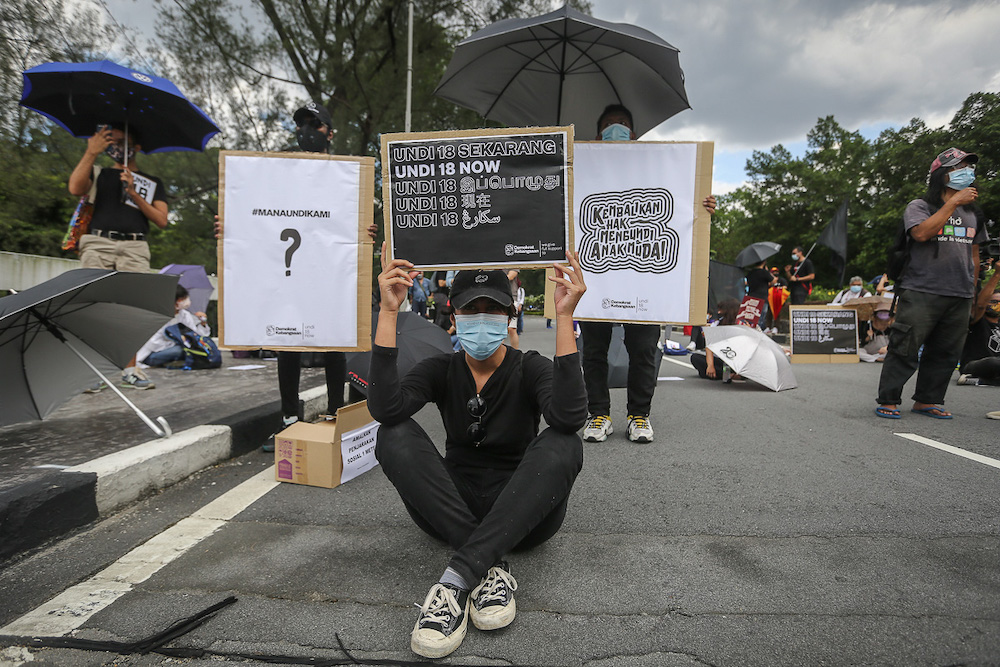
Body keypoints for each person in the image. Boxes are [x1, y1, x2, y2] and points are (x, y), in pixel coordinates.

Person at [369, 245, 588, 659]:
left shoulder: (531, 366)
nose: (482, 321)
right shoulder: (439, 369)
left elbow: (569, 416)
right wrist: (388, 311)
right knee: (392, 434)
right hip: (453, 507)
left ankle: (458, 578)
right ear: (455, 319)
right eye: (472, 311)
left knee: (564, 442)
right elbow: (386, 409)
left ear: (510, 319)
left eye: (493, 311)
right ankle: (489, 566)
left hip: (523, 512)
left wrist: (564, 318)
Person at [216, 101, 377, 449]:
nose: (307, 131)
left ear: (330, 133)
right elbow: (257, 214)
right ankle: (289, 419)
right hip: (287, 270)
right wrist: (230, 225)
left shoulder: (346, 178)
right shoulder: (277, 173)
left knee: (334, 341)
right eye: (302, 124)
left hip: (325, 272)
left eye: (315, 124)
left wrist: (367, 233)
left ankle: (336, 414)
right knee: (286, 342)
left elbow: (353, 225)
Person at [580, 103, 717, 444]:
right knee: (593, 352)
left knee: (642, 350)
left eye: (622, 124)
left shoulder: (657, 170)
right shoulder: (580, 171)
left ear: (635, 135)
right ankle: (598, 414)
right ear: (598, 135)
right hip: (596, 282)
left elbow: (682, 204)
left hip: (645, 282)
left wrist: (702, 205)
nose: (617, 129)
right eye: (610, 124)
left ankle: (639, 416)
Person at [875, 147, 989, 419]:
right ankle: (889, 399)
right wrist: (952, 203)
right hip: (922, 290)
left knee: (946, 351)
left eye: (969, 168)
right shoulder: (920, 206)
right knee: (905, 346)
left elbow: (974, 255)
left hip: (959, 293)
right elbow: (922, 233)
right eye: (959, 168)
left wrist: (972, 291)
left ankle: (928, 399)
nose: (967, 173)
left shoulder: (975, 215)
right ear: (941, 175)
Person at [69, 124, 169, 390]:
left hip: (135, 246)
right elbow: (75, 188)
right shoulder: (98, 173)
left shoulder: (152, 182)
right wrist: (91, 152)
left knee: (131, 309)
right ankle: (93, 374)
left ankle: (130, 370)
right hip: (98, 241)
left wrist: (134, 192)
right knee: (92, 307)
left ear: (135, 147)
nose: (115, 146)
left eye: (122, 142)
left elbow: (161, 220)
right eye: (111, 141)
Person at [136, 285, 211, 367]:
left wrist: (203, 323)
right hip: (152, 354)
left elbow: (195, 334)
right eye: (182, 299)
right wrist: (178, 341)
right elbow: (154, 344)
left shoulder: (184, 314)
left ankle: (174, 362)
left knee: (200, 347)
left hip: (175, 348)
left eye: (185, 298)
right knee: (180, 350)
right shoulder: (158, 316)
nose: (185, 301)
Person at [957, 260, 1000, 386]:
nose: (997, 305)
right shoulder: (977, 321)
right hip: (975, 364)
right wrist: (996, 275)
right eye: (993, 302)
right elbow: (980, 305)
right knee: (994, 362)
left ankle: (981, 381)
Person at [691, 298, 740, 379]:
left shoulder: (741, 325)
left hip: (736, 360)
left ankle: (719, 374)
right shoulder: (716, 325)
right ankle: (726, 375)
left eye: (721, 310)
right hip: (721, 359)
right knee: (695, 358)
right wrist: (710, 365)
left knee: (703, 373)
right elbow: (709, 346)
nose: (718, 312)